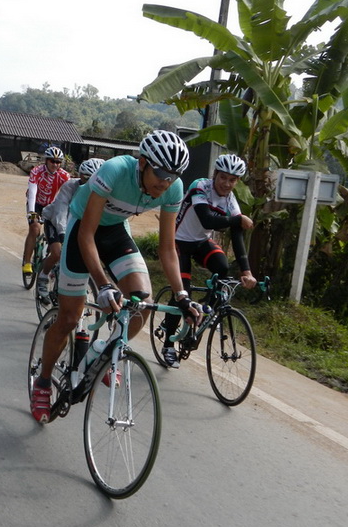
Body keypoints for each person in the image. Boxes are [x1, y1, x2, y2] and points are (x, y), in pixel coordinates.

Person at [30, 130, 200, 424]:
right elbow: (86, 234)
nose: (165, 182)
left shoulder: (173, 188)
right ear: (143, 162)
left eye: (173, 176)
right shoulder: (115, 170)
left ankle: (103, 350)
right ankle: (43, 382)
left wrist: (182, 295)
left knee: (141, 303)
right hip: (84, 229)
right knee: (69, 318)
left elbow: (167, 248)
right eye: (161, 173)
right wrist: (104, 285)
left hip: (116, 231)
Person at [160, 153, 257, 367]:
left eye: (232, 180)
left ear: (237, 181)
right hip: (178, 241)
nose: (226, 184)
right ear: (215, 174)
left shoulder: (230, 200)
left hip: (201, 242)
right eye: (223, 177)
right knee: (181, 292)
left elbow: (237, 236)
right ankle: (168, 345)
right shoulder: (200, 186)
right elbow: (207, 219)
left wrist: (246, 271)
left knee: (222, 267)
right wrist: (237, 219)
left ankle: (205, 313)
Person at [36, 157, 105, 302]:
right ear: (80, 176)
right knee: (57, 253)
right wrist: (62, 234)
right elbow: (60, 212)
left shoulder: (100, 192)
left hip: (76, 224)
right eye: (86, 179)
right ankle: (43, 277)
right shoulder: (70, 186)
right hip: (54, 220)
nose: (89, 184)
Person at [22, 146, 71, 276]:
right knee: (35, 228)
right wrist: (32, 212)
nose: (55, 165)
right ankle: (27, 262)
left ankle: (50, 257)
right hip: (36, 203)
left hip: (51, 206)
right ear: (46, 161)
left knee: (58, 232)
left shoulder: (64, 176)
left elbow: (69, 195)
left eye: (58, 162)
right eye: (52, 161)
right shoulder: (37, 171)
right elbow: (32, 192)